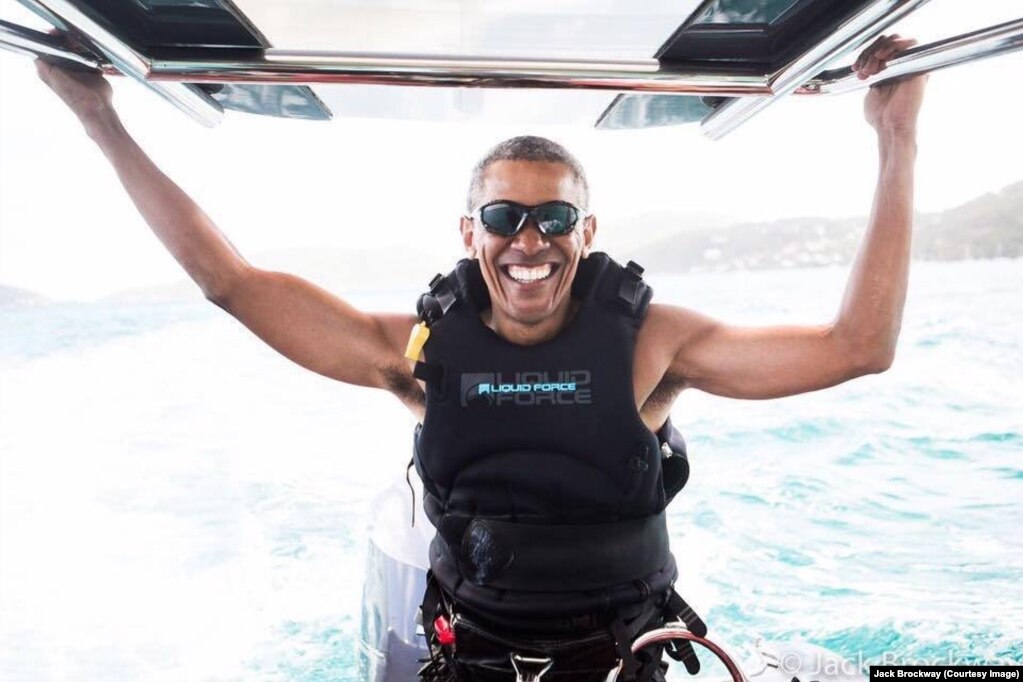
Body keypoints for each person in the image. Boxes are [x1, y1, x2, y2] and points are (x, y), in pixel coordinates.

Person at [35, 34, 925, 682]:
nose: (527, 240)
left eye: (553, 218)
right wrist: (95, 118)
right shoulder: (416, 350)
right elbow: (228, 280)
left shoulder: (655, 342)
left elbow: (857, 349)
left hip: (626, 661)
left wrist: (895, 140)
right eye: (503, 217)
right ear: (470, 233)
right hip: (472, 661)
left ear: (587, 232)